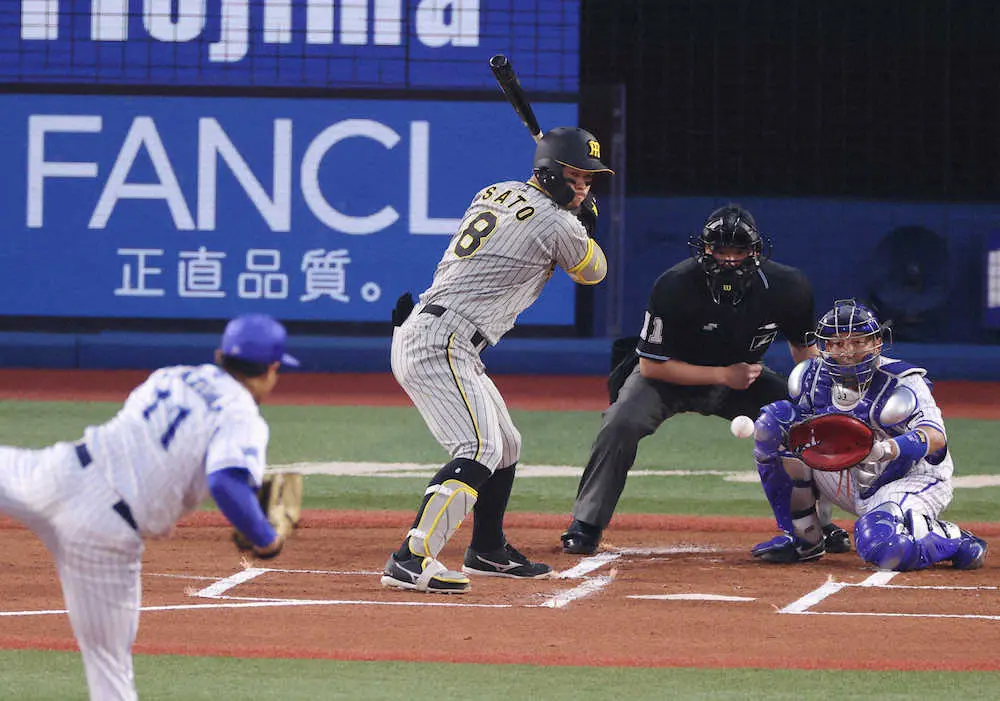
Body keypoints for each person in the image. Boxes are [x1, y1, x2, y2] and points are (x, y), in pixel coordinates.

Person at [0, 314, 298, 700]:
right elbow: (225, 482)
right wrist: (265, 539)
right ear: (272, 369)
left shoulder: (171, 376)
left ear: (220, 355)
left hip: (60, 472)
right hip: (103, 532)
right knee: (109, 670)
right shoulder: (242, 416)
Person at [381, 126, 614, 593]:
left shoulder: (497, 190)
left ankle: (487, 549)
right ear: (549, 173)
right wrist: (585, 227)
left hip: (445, 336)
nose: (583, 187)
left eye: (588, 180)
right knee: (479, 448)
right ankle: (411, 557)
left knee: (505, 445)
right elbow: (594, 272)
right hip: (441, 340)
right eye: (575, 177)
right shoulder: (558, 224)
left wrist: (575, 217)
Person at [561, 204, 851, 555]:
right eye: (720, 249)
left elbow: (804, 352)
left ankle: (814, 524)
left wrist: (822, 397)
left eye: (738, 250)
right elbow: (651, 367)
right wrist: (723, 375)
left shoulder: (788, 287)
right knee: (620, 423)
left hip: (742, 381)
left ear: (755, 251)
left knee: (807, 422)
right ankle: (586, 522)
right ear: (705, 249)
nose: (729, 259)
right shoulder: (674, 284)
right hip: (669, 377)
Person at [750, 299, 988, 569]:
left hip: (907, 478)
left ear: (876, 342)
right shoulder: (811, 377)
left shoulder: (903, 380)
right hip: (851, 475)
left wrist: (886, 449)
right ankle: (804, 538)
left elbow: (935, 437)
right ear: (824, 346)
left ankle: (954, 538)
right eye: (837, 343)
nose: (847, 351)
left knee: (886, 549)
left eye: (857, 342)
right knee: (774, 425)